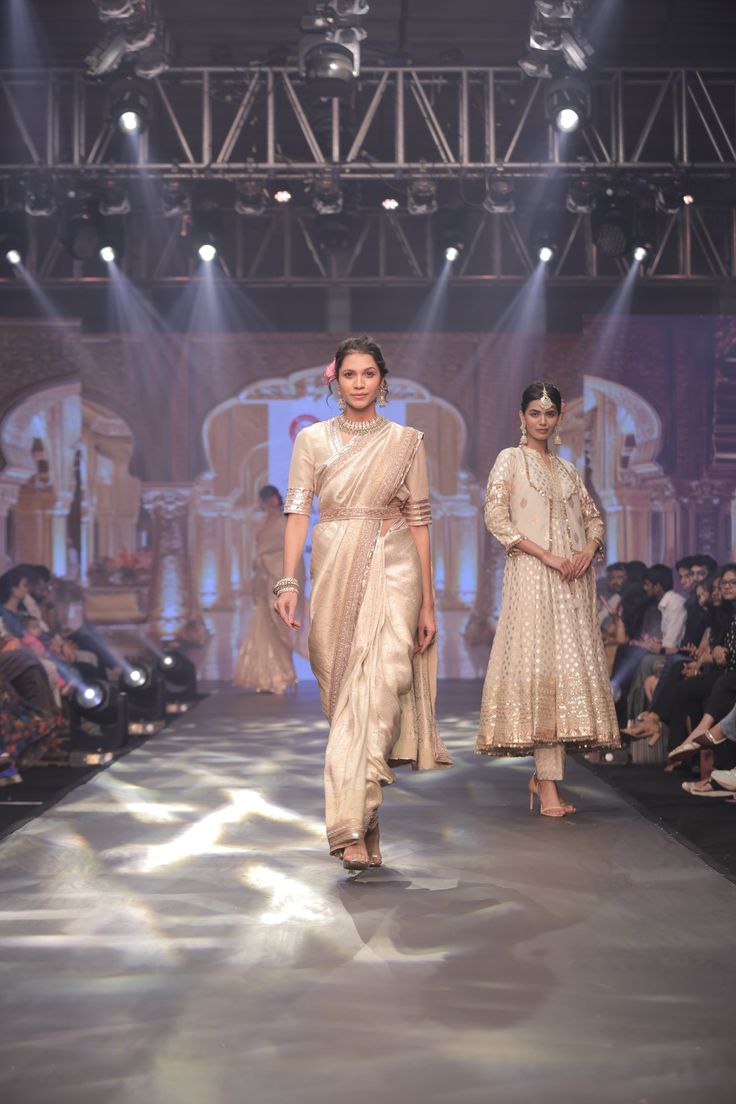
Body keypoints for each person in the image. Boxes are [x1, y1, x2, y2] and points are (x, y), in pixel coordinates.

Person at [273, 335, 452, 871]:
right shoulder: (311, 440)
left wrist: (428, 604)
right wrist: (288, 582)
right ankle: (367, 822)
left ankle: (349, 827)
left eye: (368, 374)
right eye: (350, 374)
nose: (359, 383)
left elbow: (419, 524)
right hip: (334, 566)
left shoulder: (406, 442)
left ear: (382, 380)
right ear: (337, 380)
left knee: (381, 691)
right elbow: (297, 515)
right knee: (347, 702)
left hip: (395, 564)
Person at [476, 380, 619, 815]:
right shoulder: (510, 460)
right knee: (541, 673)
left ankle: (545, 779)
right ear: (521, 416)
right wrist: (547, 556)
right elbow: (495, 517)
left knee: (563, 675)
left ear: (559, 416)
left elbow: (594, 519)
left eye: (550, 413)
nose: (542, 421)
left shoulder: (568, 469)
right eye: (535, 413)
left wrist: (587, 551)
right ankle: (549, 785)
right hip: (533, 577)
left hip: (573, 581)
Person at [234, 485, 305, 694]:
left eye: (272, 497)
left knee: (279, 625)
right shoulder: (262, 521)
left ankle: (283, 676)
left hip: (278, 578)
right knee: (264, 625)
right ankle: (266, 677)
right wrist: (259, 562)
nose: (270, 501)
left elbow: (292, 553)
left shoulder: (286, 522)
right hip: (263, 578)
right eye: (266, 498)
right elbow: (259, 547)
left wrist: (268, 562)